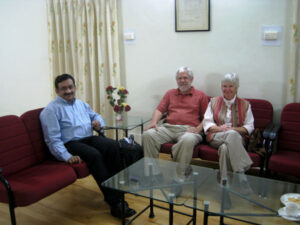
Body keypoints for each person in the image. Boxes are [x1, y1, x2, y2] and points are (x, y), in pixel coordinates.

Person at [40, 74, 136, 219]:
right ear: (57, 91)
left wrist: (98, 123)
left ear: (75, 87)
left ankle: (117, 190)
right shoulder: (51, 110)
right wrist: (67, 156)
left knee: (113, 146)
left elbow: (95, 116)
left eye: (70, 87)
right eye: (63, 88)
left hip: (88, 137)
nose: (68, 91)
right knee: (94, 155)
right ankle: (116, 203)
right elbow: (52, 139)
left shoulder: (81, 104)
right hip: (70, 143)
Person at [143, 66, 208, 179]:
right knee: (148, 135)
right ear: (176, 80)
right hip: (168, 128)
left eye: (185, 78)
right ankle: (154, 175)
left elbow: (207, 118)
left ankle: (178, 178)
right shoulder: (170, 93)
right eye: (179, 78)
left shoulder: (200, 95)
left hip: (189, 130)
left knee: (187, 140)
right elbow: (159, 109)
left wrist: (198, 129)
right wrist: (154, 122)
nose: (182, 81)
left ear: (191, 79)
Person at [203, 72, 254, 182]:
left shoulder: (246, 104)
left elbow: (249, 127)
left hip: (237, 139)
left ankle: (225, 185)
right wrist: (220, 129)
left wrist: (233, 130)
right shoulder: (213, 102)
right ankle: (241, 172)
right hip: (216, 136)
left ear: (236, 88)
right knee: (231, 135)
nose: (227, 89)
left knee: (225, 148)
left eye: (231, 86)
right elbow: (207, 123)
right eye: (224, 86)